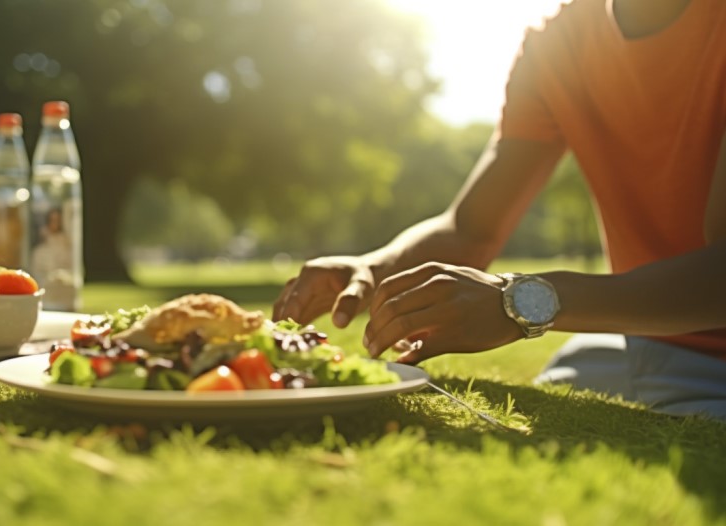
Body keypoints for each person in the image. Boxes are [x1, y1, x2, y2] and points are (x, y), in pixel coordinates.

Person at [273, 0, 726, 420]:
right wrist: (373, 267)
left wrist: (521, 301)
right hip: (639, 345)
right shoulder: (558, 44)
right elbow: (470, 229)